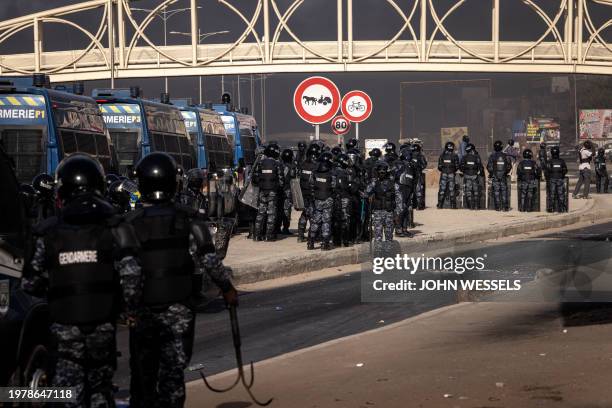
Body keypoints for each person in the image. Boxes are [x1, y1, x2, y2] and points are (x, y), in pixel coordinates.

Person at [22, 154, 141, 407]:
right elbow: (132, 276)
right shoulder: (115, 227)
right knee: (100, 391)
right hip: (102, 328)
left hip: (64, 331)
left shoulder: (47, 231)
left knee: (69, 395)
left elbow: (30, 283)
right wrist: (127, 309)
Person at [126, 152, 238, 408]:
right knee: (172, 378)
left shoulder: (128, 224)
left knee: (143, 377)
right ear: (174, 183)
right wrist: (227, 289)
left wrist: (128, 307)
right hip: (179, 310)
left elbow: (122, 270)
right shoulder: (189, 220)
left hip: (143, 313)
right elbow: (210, 261)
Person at [363, 161, 401, 242]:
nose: (381, 174)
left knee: (389, 237)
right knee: (378, 237)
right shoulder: (374, 183)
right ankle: (379, 254)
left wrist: (397, 212)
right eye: (380, 172)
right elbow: (366, 193)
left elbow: (399, 198)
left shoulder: (393, 184)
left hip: (389, 213)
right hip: (377, 213)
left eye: (383, 172)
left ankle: (388, 253)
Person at [252, 143, 283, 241]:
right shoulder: (277, 164)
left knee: (260, 213)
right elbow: (281, 180)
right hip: (272, 191)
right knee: (271, 213)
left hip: (262, 191)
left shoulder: (260, 163)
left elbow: (255, 179)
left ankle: (257, 235)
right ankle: (269, 236)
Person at [308, 151, 336, 251]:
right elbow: (334, 186)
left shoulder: (314, 172)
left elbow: (311, 184)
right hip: (328, 199)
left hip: (317, 199)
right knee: (326, 222)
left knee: (315, 221)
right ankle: (325, 243)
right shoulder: (331, 174)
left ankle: (310, 242)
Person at [297, 144, 319, 242]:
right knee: (313, 214)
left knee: (305, 213)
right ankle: (313, 236)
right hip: (312, 193)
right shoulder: (316, 166)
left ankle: (301, 235)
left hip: (303, 192)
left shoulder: (303, 164)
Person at [394, 149, 416, 237]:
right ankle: (398, 230)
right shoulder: (398, 163)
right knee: (400, 209)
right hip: (400, 188)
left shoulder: (411, 165)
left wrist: (413, 190)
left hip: (409, 188)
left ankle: (404, 229)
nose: (410, 156)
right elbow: (393, 175)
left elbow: (414, 178)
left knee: (407, 209)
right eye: (408, 154)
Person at [487, 140, 512, 211]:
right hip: (503, 176)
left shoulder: (492, 156)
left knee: (496, 192)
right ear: (501, 147)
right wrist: (505, 173)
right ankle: (505, 207)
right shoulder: (505, 156)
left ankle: (497, 207)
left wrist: (493, 174)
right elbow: (509, 166)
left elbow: (489, 167)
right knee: (504, 191)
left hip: (495, 177)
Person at [437, 141, 459, 209]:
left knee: (442, 189)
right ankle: (453, 205)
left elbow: (439, 166)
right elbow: (457, 166)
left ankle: (440, 205)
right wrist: (452, 170)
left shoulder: (442, 155)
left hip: (443, 173)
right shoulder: (455, 155)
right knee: (452, 189)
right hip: (451, 173)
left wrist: (444, 170)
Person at [459, 143, 482, 210]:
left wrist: (464, 172)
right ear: (472, 150)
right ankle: (476, 206)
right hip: (474, 175)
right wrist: (479, 172)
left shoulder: (464, 157)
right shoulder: (476, 157)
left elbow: (461, 166)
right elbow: (480, 166)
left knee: (468, 191)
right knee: (476, 191)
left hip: (467, 175)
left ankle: (470, 206)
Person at [547, 145, 568, 212]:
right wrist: (562, 175)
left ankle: (551, 208)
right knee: (561, 194)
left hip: (552, 179)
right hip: (560, 179)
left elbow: (547, 171)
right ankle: (561, 208)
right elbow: (565, 170)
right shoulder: (562, 161)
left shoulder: (549, 161)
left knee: (552, 194)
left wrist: (549, 177)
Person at [280, 148, 295, 234]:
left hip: (280, 190)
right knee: (286, 210)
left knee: (278, 209)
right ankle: (285, 228)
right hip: (287, 190)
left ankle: (277, 227)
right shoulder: (290, 167)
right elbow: (293, 178)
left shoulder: (279, 165)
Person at [410, 143, 427, 210]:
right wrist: (419, 168)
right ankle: (419, 205)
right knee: (418, 190)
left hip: (411, 174)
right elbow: (424, 165)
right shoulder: (420, 156)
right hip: (417, 174)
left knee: (411, 190)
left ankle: (412, 205)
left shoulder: (410, 155)